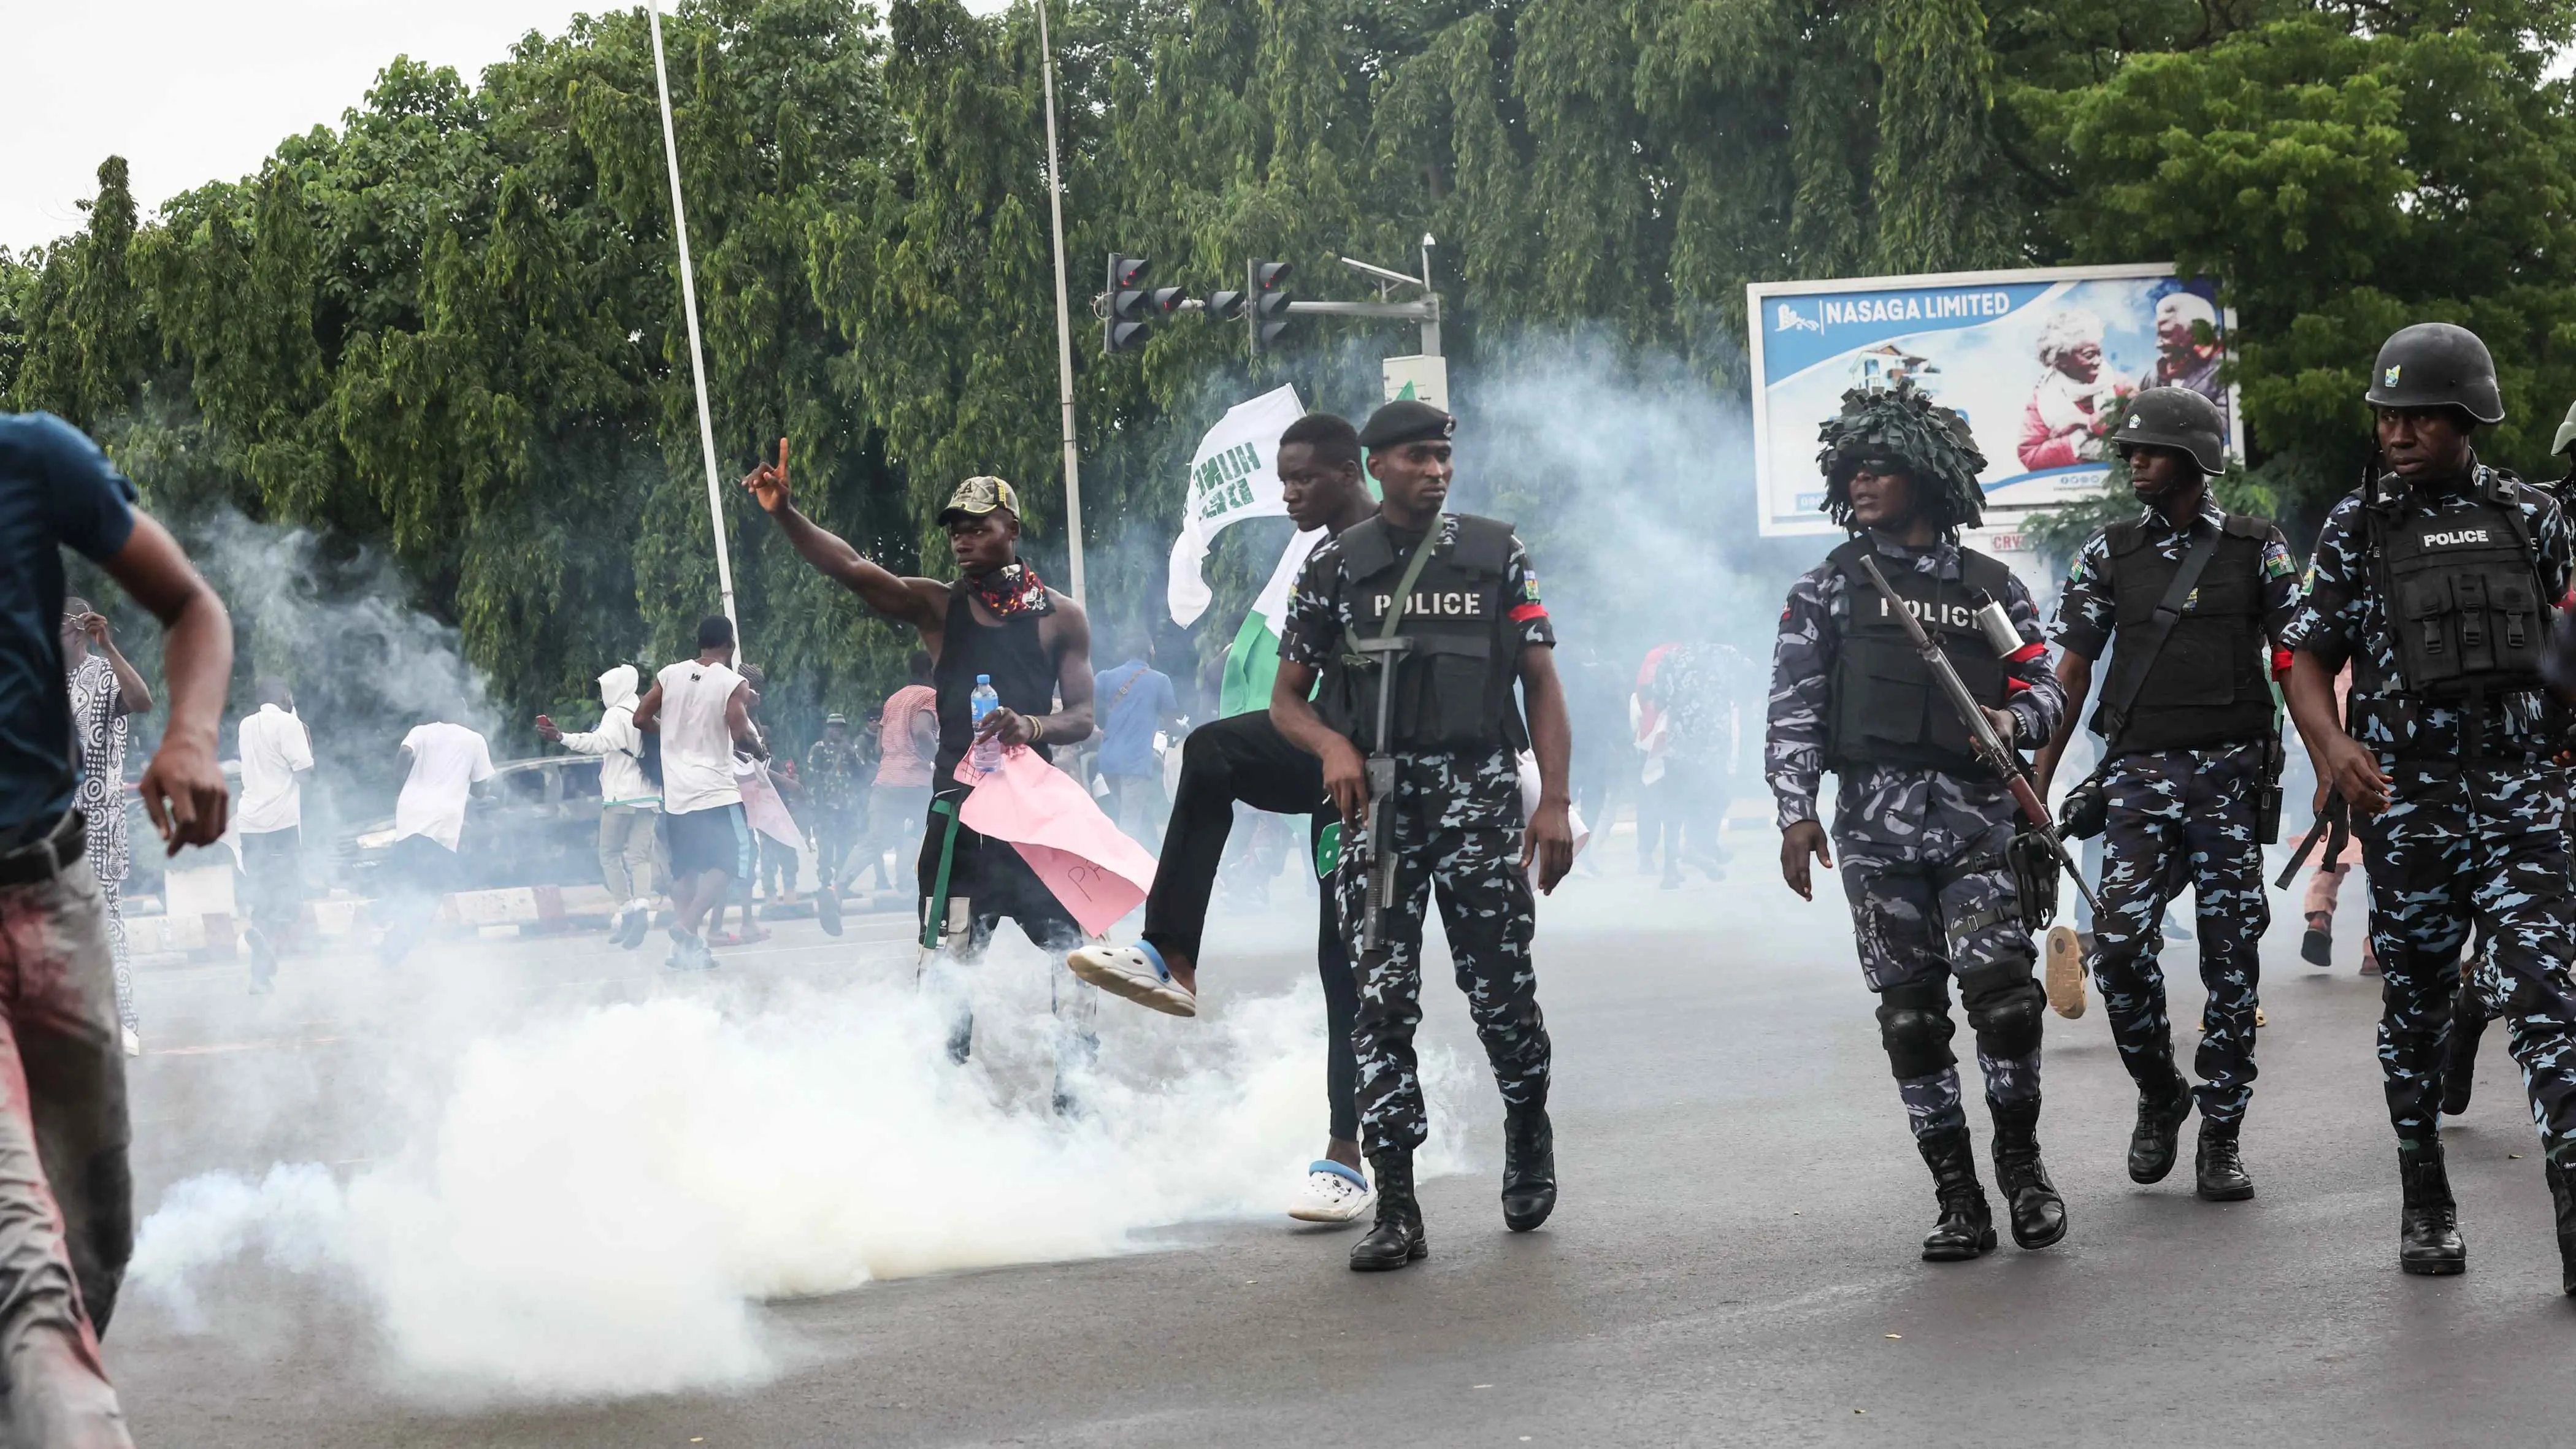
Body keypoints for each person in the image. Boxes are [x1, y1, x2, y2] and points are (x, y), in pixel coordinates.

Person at [2282, 323, 2576, 1293]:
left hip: (2525, 794)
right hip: (2410, 803)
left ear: (2467, 420)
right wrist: (2333, 746)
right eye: (2388, 415)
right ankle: (2426, 1200)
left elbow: (2558, 643)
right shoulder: (2353, 526)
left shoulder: (2534, 516)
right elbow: (2308, 657)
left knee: (2550, 998)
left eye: (2421, 417)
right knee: (2411, 1008)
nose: (2400, 432)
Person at [1269, 399, 1577, 1273]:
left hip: (1479, 796)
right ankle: (1398, 1207)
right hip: (1379, 809)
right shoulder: (1334, 565)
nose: (1436, 469)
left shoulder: (1495, 554)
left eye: (1443, 454)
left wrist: (1552, 800)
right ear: (1376, 466)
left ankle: (1528, 1122)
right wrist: (1333, 743)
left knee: (1503, 995)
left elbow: (1541, 683)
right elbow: (1287, 697)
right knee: (1379, 1005)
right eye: (1417, 456)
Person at [1769, 378, 2071, 1264]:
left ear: (1926, 478)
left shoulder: (1989, 587)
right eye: (1851, 470)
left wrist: (2017, 721)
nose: (1861, 483)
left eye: (1881, 468)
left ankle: (2021, 1167)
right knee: (1910, 1017)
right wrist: (1795, 812)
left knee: (2008, 1003)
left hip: (1980, 827)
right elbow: (1793, 705)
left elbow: (2046, 684)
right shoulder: (1830, 588)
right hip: (1874, 833)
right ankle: (1957, 1195)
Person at [1067, 411, 1387, 1223]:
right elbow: (1288, 691)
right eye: (1282, 478)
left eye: (1303, 478)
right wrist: (1325, 745)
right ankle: (1170, 953)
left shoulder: (1409, 551)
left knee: (1355, 970)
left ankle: (1373, 1151)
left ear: (1350, 472)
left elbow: (1492, 666)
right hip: (1333, 767)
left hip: (1406, 780)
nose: (1287, 494)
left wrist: (1536, 784)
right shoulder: (1317, 560)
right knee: (1211, 751)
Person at [3, 409, 232, 1446]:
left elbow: (190, 605)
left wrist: (188, 737)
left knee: (95, 1242)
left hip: (57, 886)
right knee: (29, 1271)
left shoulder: (33, 460)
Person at [744, 447, 1100, 1096]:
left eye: (977, 525)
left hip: (1037, 825)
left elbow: (1082, 717)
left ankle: (1080, 1101)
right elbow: (853, 568)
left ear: (1011, 529)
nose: (963, 538)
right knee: (946, 974)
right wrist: (787, 513)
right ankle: (946, 1107)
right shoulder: (941, 607)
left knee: (1076, 965)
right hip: (960, 825)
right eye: (956, 528)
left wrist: (1033, 725)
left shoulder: (1062, 617)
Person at [2030, 386, 2299, 1202]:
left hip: (2228, 777)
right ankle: (2160, 1091)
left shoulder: (2260, 549)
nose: (2135, 461)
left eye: (2150, 450)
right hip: (2139, 780)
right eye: (2132, 450)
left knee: (2232, 960)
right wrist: (2036, 785)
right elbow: (2068, 675)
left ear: (2192, 460)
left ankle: (2221, 1133)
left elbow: (2298, 661)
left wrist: (2333, 759)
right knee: (2116, 945)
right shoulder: (2107, 553)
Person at [632, 617, 765, 971]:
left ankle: (686, 951)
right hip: (716, 792)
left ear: (700, 642)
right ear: (731, 645)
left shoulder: (671, 673)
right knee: (740, 856)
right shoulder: (731, 682)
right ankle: (687, 925)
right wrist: (760, 748)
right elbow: (740, 734)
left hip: (676, 795)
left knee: (686, 870)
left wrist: (675, 735)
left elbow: (641, 718)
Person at [61, 597, 152, 1055]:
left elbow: (142, 700)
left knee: (105, 922)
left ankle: (125, 1020)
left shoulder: (101, 674)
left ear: (78, 631)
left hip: (96, 825)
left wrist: (110, 646)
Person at [537, 663, 661, 950]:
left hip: (620, 796)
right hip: (650, 795)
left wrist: (562, 737)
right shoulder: (644, 709)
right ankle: (643, 906)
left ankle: (628, 911)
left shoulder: (616, 715)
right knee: (640, 857)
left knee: (609, 855)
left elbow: (599, 743)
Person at [381, 717, 496, 964]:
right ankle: (391, 952)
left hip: (409, 817)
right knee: (429, 895)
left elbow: (404, 751)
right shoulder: (474, 739)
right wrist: (476, 788)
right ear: (463, 710)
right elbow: (480, 789)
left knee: (407, 880)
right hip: (442, 827)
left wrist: (399, 779)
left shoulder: (420, 731)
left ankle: (386, 919)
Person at [235, 678, 315, 991]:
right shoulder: (289, 725)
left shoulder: (246, 725)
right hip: (279, 825)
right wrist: (306, 739)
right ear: (285, 696)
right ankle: (265, 939)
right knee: (290, 900)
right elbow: (306, 776)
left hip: (249, 825)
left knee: (264, 897)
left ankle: (260, 976)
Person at [854, 652, 939, 893]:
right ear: (931, 672)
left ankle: (837, 889)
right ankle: (907, 882)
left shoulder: (893, 700)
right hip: (916, 780)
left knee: (874, 841)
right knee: (921, 832)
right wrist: (939, 760)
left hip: (887, 780)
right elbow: (923, 733)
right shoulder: (930, 697)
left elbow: (879, 747)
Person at [1092, 643, 1183, 850]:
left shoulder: (1106, 677)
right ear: (1150, 652)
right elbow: (1170, 723)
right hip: (1135, 761)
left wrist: (1095, 728)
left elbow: (1083, 696)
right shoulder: (1160, 681)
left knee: (1125, 814)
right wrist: (1184, 730)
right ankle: (1124, 870)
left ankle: (1138, 858)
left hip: (1107, 760)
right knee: (1130, 824)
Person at [2017, 308, 2117, 471]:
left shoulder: (2118, 385)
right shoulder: (2043, 401)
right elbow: (2030, 456)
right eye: (2089, 355)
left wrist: (2085, 422)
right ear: (2061, 360)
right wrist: (2081, 437)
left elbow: (2139, 427)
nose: (2099, 361)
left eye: (2100, 353)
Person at [805, 711, 869, 926]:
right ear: (827, 728)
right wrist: (816, 808)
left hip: (847, 807)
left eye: (841, 727)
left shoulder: (850, 750)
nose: (837, 730)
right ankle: (825, 887)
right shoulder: (819, 749)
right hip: (826, 808)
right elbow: (812, 778)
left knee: (846, 846)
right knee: (826, 848)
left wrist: (850, 752)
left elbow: (861, 773)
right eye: (833, 727)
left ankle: (841, 886)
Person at [2150, 292, 2225, 402]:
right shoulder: (2155, 375)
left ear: (2196, 334)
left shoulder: (2223, 374)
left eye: (2166, 335)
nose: (2158, 344)